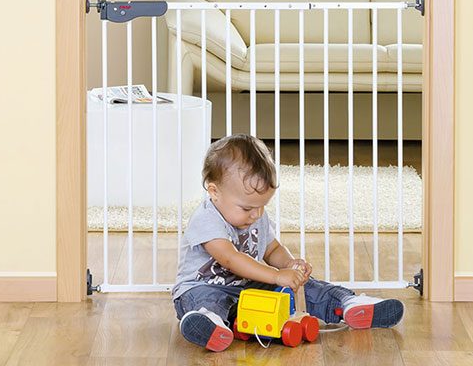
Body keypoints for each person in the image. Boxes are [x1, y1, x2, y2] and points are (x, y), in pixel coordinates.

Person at [172, 134, 404, 351]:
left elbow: (271, 248)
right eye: (247, 208)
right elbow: (230, 259)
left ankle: (347, 303)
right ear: (214, 192)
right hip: (202, 288)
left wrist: (289, 265)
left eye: (262, 206)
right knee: (207, 299)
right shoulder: (206, 219)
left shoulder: (256, 216)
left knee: (301, 287)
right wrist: (275, 275)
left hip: (247, 290)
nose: (256, 214)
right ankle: (209, 322)